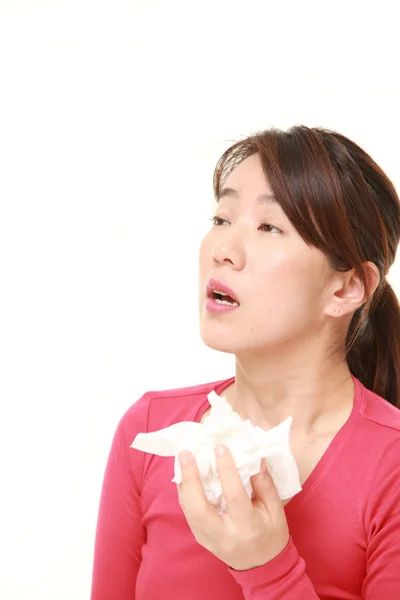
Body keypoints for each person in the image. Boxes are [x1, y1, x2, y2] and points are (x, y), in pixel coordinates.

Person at [90, 125, 400, 599]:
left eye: (269, 227)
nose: (222, 250)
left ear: (346, 288)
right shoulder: (149, 431)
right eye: (221, 219)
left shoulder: (390, 467)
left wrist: (268, 567)